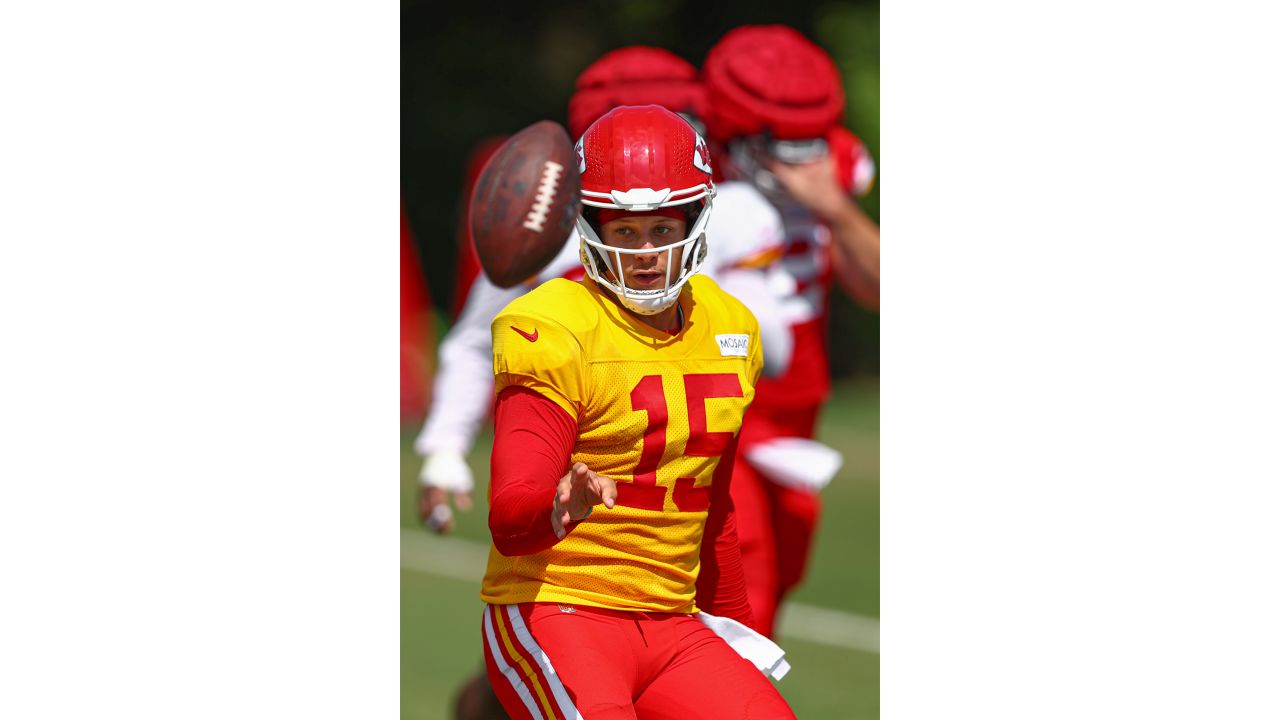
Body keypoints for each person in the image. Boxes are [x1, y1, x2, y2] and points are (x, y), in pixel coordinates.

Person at [479, 105, 794, 720]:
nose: (646, 253)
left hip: (671, 621)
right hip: (556, 607)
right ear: (591, 228)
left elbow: (713, 508)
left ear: (698, 221)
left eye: (662, 230)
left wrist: (735, 628)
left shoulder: (730, 326)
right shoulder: (555, 324)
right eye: (624, 232)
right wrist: (555, 504)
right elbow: (510, 515)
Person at [699, 25, 881, 638]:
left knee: (776, 588)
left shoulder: (839, 161)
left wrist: (833, 206)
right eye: (785, 140)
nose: (802, 153)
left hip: (799, 411)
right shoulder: (695, 162)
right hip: (719, 405)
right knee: (743, 606)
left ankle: (506, 691)